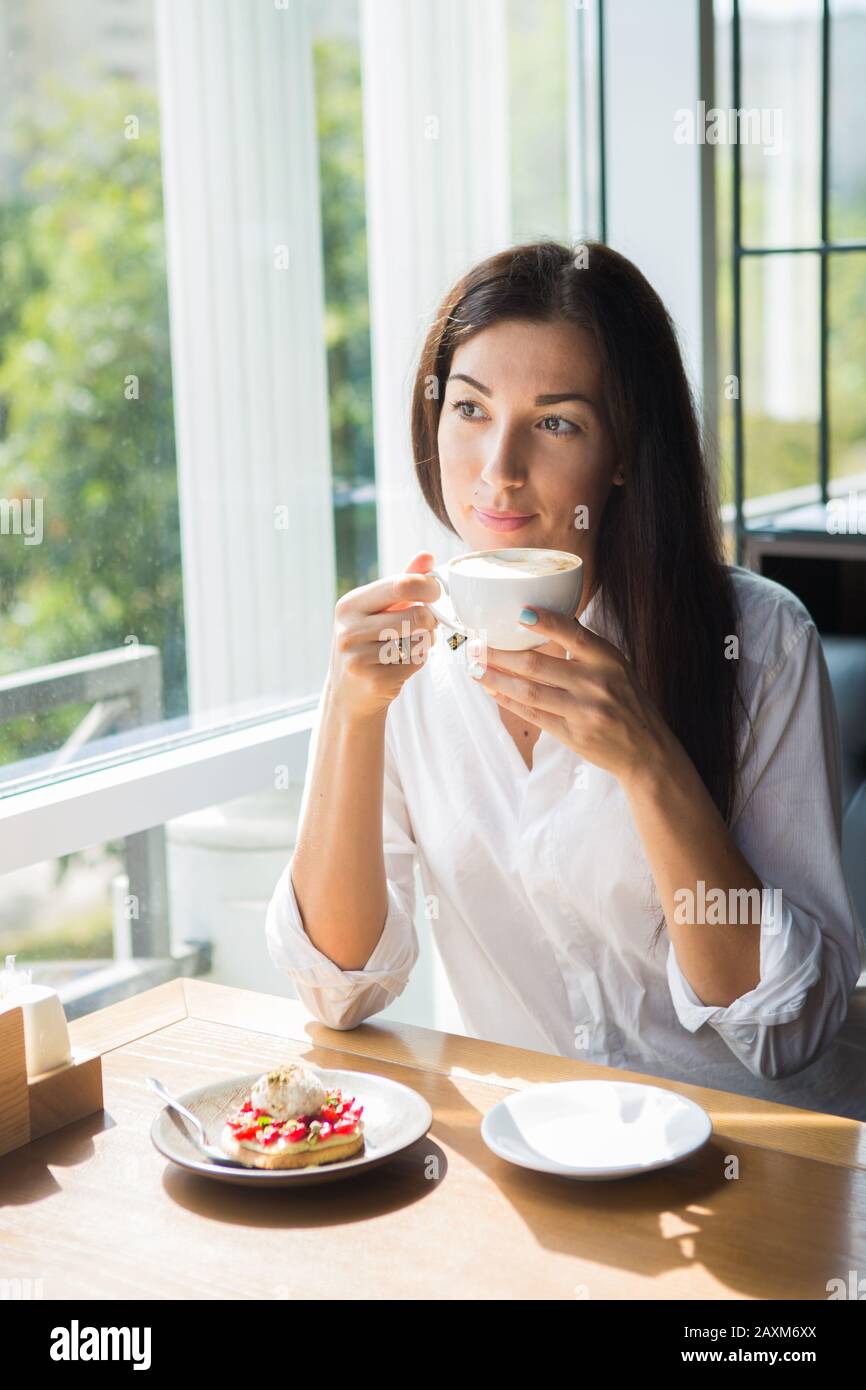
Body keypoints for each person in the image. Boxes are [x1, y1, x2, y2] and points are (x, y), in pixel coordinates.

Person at [265, 239, 866, 1120]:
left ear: (622, 452)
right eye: (468, 409)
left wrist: (648, 761)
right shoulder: (399, 657)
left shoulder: (762, 640)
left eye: (556, 422)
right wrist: (353, 716)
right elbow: (339, 991)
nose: (497, 468)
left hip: (768, 1159)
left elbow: (788, 1028)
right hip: (539, 1159)